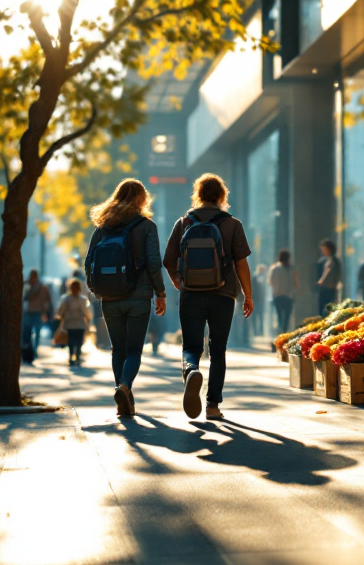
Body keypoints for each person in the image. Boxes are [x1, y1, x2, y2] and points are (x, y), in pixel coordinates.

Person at [163, 174, 253, 421]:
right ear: (222, 195)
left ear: (198, 195)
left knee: (191, 347)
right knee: (218, 350)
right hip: (223, 295)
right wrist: (248, 295)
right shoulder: (233, 224)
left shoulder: (184, 222)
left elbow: (168, 260)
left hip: (191, 295)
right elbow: (241, 263)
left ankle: (191, 370)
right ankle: (212, 406)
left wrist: (179, 283)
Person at [86, 179, 166, 417]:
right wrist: (160, 293)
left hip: (109, 298)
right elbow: (153, 262)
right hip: (139, 297)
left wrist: (96, 289)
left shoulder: (103, 227)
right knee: (134, 351)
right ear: (142, 199)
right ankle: (124, 387)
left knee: (117, 350)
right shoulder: (146, 226)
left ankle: (124, 401)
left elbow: (89, 261)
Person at [55, 279, 92, 366]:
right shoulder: (83, 300)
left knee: (70, 341)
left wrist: (58, 316)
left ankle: (71, 357)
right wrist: (89, 317)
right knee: (79, 341)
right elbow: (86, 312)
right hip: (80, 324)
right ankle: (78, 357)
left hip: (69, 324)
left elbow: (61, 311)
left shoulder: (66, 299)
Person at [21, 269, 53, 359]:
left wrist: (47, 310)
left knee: (35, 332)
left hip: (36, 311)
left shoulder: (42, 287)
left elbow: (48, 299)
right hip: (30, 311)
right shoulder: (27, 285)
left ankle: (34, 349)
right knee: (28, 332)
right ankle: (31, 348)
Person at [268, 249, 299, 335]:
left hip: (277, 296)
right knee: (287, 317)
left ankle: (279, 332)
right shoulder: (292, 269)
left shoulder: (274, 268)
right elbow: (296, 283)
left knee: (279, 316)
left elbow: (270, 282)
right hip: (288, 296)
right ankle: (285, 332)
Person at [316, 239, 341, 312]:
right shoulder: (332, 260)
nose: (322, 252)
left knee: (325, 311)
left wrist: (321, 280)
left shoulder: (332, 260)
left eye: (324, 249)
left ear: (329, 249)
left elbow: (328, 271)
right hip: (330, 289)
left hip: (327, 289)